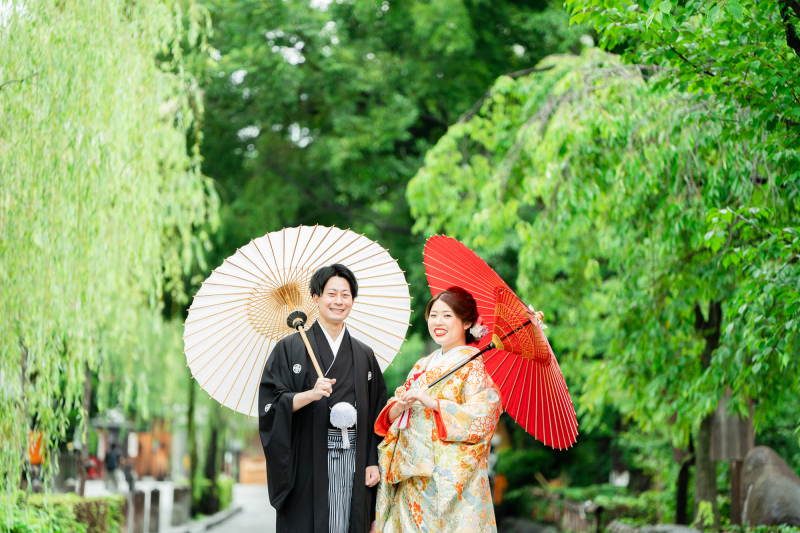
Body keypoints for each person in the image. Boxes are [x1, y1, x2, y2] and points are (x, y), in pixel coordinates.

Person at [259, 263, 388, 533]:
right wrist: (310, 395)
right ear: (316, 298)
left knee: (348, 522)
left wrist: (372, 461)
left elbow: (378, 413)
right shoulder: (289, 348)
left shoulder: (364, 354)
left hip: (355, 457)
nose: (339, 301)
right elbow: (271, 406)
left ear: (353, 299)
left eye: (346, 294)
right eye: (331, 294)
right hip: (308, 459)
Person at [373, 287, 504, 533]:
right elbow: (391, 415)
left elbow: (483, 416)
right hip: (411, 476)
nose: (438, 322)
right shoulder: (423, 364)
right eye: (433, 315)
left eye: (447, 315)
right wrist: (398, 407)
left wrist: (434, 404)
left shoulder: (473, 367)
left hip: (446, 480)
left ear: (466, 323)